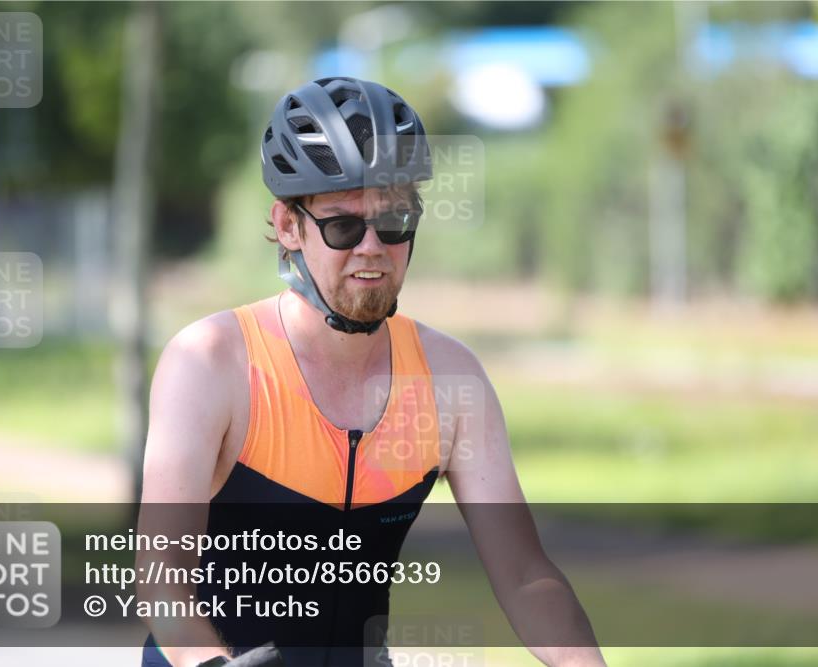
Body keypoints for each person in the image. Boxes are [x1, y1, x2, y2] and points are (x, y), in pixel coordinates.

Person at [136, 76, 606, 667]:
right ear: (288, 226)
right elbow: (161, 578)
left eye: (393, 222)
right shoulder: (210, 361)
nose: (371, 247)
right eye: (341, 226)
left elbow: (523, 573)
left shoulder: (448, 380)